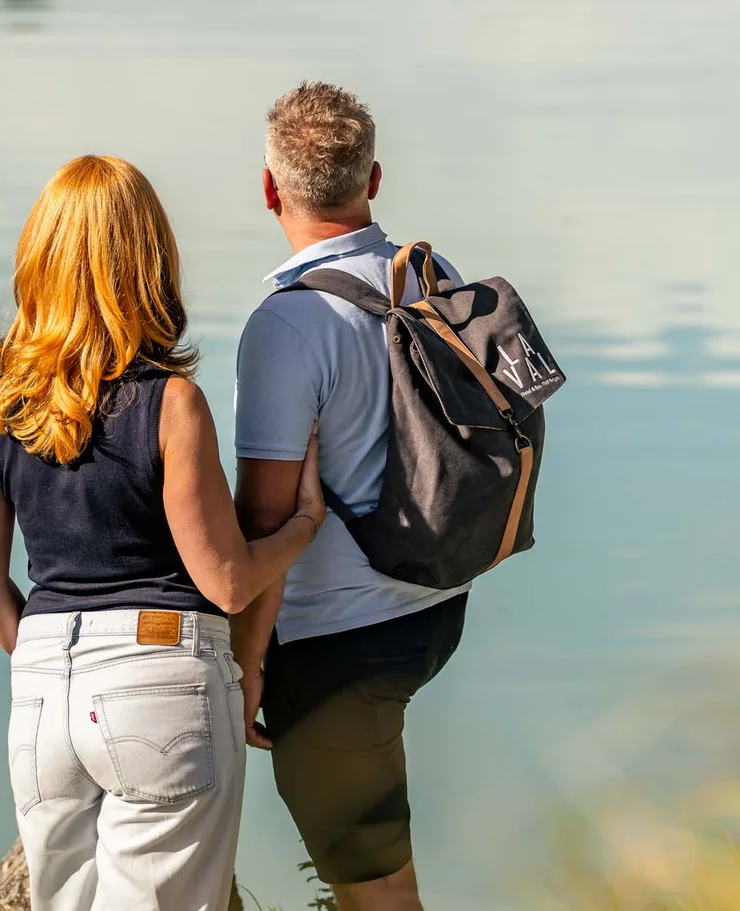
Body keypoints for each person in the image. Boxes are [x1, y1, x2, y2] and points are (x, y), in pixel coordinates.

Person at [0, 155, 327, 911]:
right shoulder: (170, 404)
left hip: (43, 693)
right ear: (149, 260)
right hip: (161, 681)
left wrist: (55, 657)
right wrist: (302, 526)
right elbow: (225, 579)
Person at [232, 83, 471, 911]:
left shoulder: (287, 326)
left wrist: (243, 667)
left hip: (335, 644)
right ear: (374, 179)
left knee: (377, 894)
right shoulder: (434, 280)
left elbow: (264, 520)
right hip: (437, 604)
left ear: (270, 190)